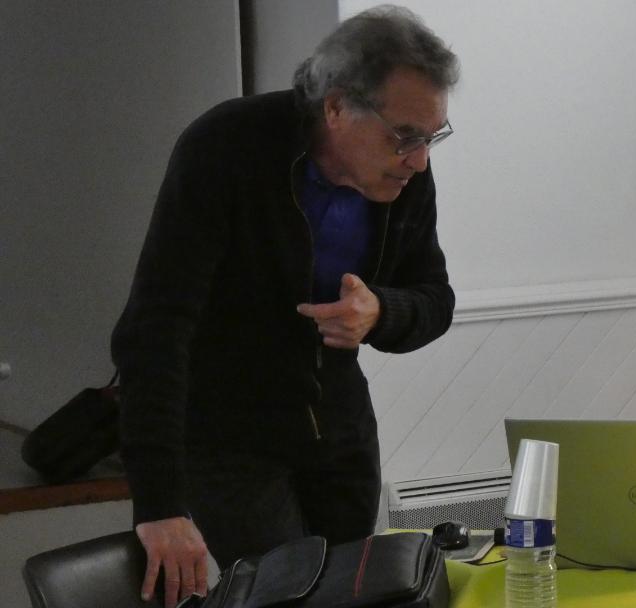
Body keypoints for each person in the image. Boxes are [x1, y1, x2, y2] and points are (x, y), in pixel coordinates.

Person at [110, 6, 459, 607]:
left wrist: (380, 312)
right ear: (336, 107)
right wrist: (159, 502)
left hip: (342, 434)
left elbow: (435, 299)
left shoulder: (404, 177)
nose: (420, 159)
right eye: (405, 136)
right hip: (229, 439)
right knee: (282, 598)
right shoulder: (228, 145)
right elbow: (156, 328)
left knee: (359, 598)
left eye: (432, 137)